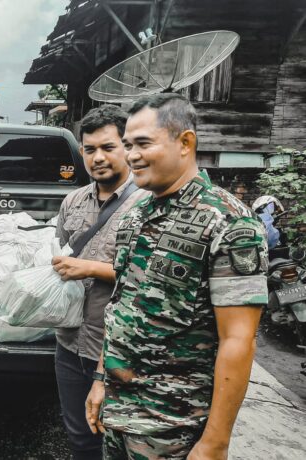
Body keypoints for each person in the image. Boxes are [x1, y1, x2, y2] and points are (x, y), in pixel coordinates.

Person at [85, 94, 268, 459]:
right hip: (120, 417)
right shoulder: (136, 216)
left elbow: (238, 340)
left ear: (185, 143)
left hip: (175, 427)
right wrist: (101, 378)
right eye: (128, 145)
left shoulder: (229, 222)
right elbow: (121, 305)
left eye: (143, 144)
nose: (132, 154)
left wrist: (215, 441)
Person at [51, 105, 148, 460]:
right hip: (70, 342)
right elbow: (60, 254)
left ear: (128, 147)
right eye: (89, 149)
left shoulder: (148, 203)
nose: (98, 157)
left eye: (108, 147)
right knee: (80, 438)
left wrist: (90, 268)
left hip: (119, 348)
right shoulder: (73, 201)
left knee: (121, 440)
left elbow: (155, 278)